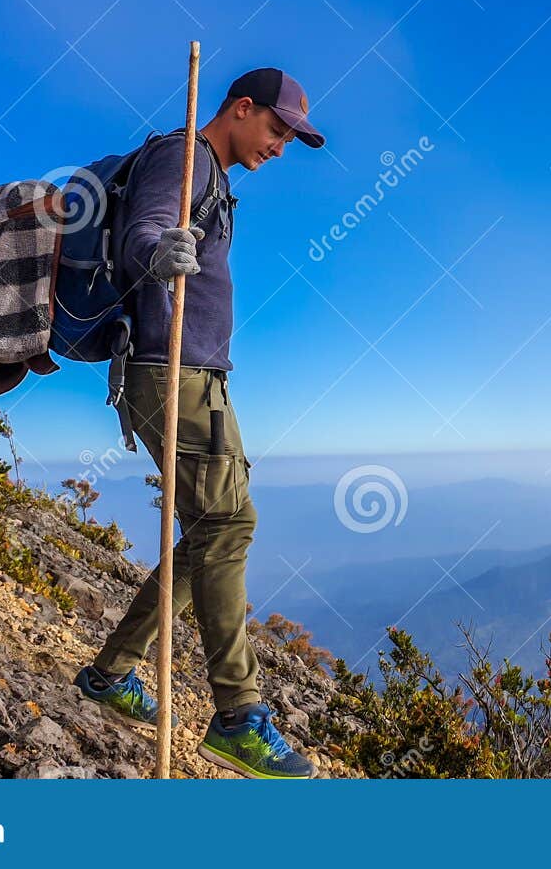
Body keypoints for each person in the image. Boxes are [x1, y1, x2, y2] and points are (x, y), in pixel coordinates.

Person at [72, 68, 326, 779]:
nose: (279, 148)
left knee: (214, 527)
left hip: (189, 374)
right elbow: (144, 231)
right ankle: (239, 717)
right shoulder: (184, 157)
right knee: (227, 525)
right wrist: (157, 252)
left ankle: (112, 673)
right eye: (276, 129)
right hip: (172, 371)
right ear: (240, 109)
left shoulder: (209, 172)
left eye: (289, 138)